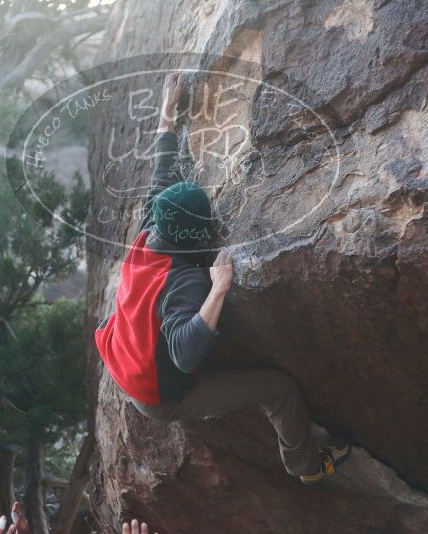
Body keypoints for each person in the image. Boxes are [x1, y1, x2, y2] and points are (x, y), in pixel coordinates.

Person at [95, 73, 352, 485]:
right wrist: (218, 287)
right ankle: (306, 467)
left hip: (122, 353)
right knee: (279, 389)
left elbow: (161, 169)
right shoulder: (186, 281)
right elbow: (183, 353)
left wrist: (168, 111)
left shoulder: (151, 226)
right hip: (156, 396)